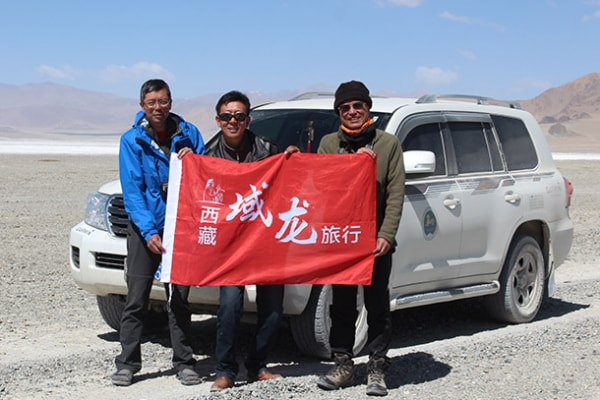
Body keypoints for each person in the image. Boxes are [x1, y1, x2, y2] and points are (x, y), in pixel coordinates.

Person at [111, 79, 206, 387]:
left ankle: (184, 362)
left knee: (178, 298)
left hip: (179, 229)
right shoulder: (132, 140)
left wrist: (195, 160)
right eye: (151, 102)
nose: (158, 108)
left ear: (171, 102)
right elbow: (133, 190)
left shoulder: (189, 134)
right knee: (136, 298)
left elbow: (204, 176)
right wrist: (149, 231)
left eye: (163, 101)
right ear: (142, 106)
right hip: (145, 230)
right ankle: (127, 363)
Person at [316, 81, 405, 396]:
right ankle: (342, 364)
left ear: (368, 108)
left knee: (376, 303)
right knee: (341, 305)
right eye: (345, 108)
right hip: (342, 240)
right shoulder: (328, 144)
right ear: (338, 112)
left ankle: (377, 368)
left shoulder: (388, 145)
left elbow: (396, 194)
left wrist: (387, 235)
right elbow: (321, 186)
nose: (352, 112)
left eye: (358, 106)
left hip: (375, 243)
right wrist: (351, 165)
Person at [206, 90, 299, 391]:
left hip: (265, 242)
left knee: (272, 309)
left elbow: (290, 186)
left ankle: (258, 366)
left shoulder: (268, 149)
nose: (233, 121)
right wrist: (186, 163)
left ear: (248, 119)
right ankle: (225, 370)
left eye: (239, 116)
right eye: (226, 116)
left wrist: (293, 161)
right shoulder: (207, 156)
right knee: (230, 306)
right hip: (231, 247)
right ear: (218, 120)